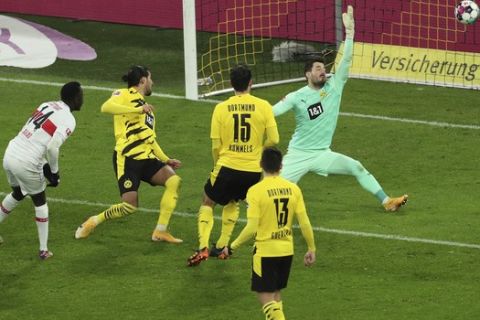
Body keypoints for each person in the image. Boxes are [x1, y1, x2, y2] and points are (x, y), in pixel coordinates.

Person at [272, 6, 408, 212]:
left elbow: (346, 61)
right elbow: (273, 112)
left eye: (323, 68)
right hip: (299, 154)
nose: (322, 71)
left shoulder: (334, 86)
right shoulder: (296, 96)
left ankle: (387, 201)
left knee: (356, 167)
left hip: (322, 154)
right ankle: (245, 197)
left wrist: (351, 34)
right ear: (307, 74)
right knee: (273, 189)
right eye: (317, 68)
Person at [75, 65, 182, 243]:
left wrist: (165, 159)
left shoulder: (146, 108)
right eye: (151, 78)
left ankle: (160, 231)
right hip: (128, 159)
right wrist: (137, 110)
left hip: (147, 158)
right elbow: (106, 107)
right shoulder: (123, 95)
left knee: (174, 181)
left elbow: (149, 138)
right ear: (142, 81)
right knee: (129, 207)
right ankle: (93, 221)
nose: (152, 82)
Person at [187, 64, 280, 267]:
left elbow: (215, 145)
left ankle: (203, 245)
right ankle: (222, 245)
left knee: (207, 202)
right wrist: (257, 152)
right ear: (251, 83)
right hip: (253, 170)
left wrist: (217, 165)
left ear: (231, 84)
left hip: (227, 165)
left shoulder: (220, 108)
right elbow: (274, 138)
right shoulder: (263, 105)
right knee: (233, 201)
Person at [221, 147, 316, 320]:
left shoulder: (256, 191)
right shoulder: (293, 189)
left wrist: (231, 247)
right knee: (276, 297)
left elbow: (252, 227)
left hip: (266, 252)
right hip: (286, 251)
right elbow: (304, 222)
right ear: (281, 166)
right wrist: (311, 248)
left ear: (260, 164)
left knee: (266, 299)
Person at [1, 81, 84, 260]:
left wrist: (48, 170)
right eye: (81, 96)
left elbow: (37, 140)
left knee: (18, 192)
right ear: (75, 98)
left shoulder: (46, 104)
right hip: (27, 162)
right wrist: (54, 172)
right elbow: (52, 148)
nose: (82, 99)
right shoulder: (69, 119)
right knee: (40, 202)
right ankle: (43, 250)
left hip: (11, 153)